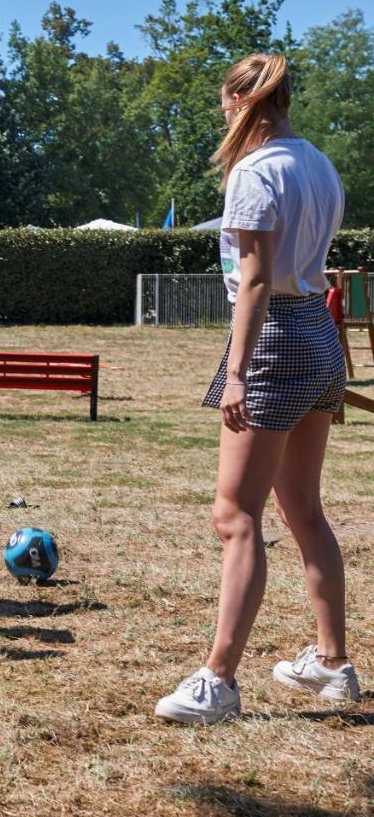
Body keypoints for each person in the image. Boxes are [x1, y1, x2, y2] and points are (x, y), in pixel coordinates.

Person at [154, 54, 358, 724]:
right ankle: (332, 664)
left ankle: (218, 681)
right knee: (303, 507)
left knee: (234, 515)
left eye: (224, 102)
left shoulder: (255, 170)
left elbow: (258, 280)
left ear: (243, 99)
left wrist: (238, 370)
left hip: (276, 338)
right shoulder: (320, 164)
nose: (223, 113)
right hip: (320, 339)